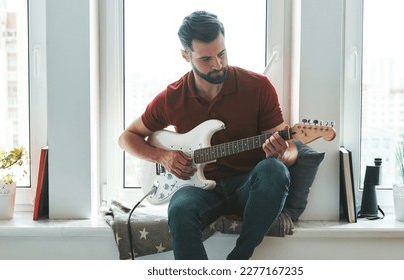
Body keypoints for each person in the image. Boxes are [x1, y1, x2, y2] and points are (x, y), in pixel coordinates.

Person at [118, 10, 298, 260]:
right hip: (197, 189)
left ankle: (238, 262)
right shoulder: (173, 97)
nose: (218, 64)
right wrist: (163, 157)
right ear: (185, 55)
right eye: (206, 59)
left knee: (275, 171)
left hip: (247, 185)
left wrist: (281, 154)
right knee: (179, 208)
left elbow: (289, 147)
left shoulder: (258, 87)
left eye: (222, 53)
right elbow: (127, 137)